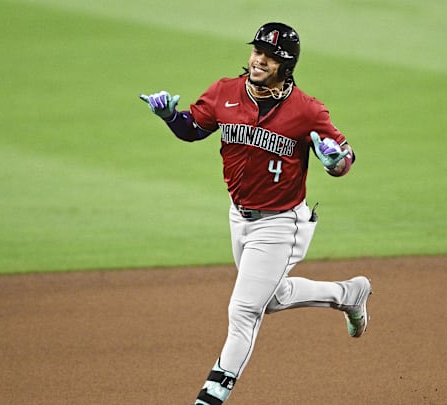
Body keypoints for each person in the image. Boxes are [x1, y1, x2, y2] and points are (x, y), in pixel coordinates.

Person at [139, 22, 372, 405]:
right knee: (273, 297)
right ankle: (347, 293)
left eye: (270, 56)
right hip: (239, 217)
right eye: (257, 51)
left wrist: (335, 163)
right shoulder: (224, 92)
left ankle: (211, 396)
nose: (259, 59)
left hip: (282, 222)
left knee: (245, 310)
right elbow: (193, 129)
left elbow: (344, 157)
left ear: (286, 64)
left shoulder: (308, 111)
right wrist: (169, 116)